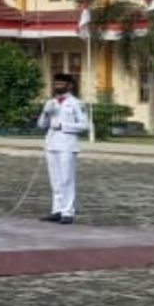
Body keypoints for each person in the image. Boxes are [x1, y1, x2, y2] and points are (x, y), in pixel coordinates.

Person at [37, 73, 89, 225]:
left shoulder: (77, 104)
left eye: (61, 83)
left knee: (67, 179)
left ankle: (68, 212)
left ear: (69, 86)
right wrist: (45, 112)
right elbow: (41, 125)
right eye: (56, 83)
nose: (57, 86)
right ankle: (57, 210)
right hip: (52, 143)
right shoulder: (51, 102)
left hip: (67, 144)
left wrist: (63, 126)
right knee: (55, 180)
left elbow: (84, 125)